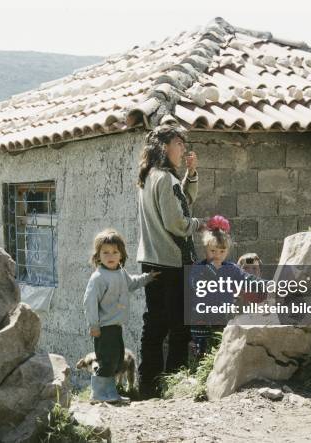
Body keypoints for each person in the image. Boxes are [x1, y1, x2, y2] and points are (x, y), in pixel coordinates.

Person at [136, 123, 202, 399]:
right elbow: (177, 221)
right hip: (173, 263)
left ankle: (148, 384)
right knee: (179, 328)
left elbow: (182, 199)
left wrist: (192, 174)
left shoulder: (150, 176)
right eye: (179, 144)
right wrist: (200, 224)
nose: (183, 149)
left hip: (152, 261)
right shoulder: (165, 178)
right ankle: (173, 384)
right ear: (164, 147)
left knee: (154, 326)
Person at [83, 229, 158, 403]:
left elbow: (131, 283)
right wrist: (93, 324)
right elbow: (89, 302)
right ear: (98, 255)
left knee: (117, 360)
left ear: (121, 254)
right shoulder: (98, 278)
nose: (110, 256)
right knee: (107, 361)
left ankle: (109, 393)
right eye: (105, 252)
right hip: (104, 327)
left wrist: (148, 277)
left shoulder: (120, 272)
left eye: (115, 252)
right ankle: (99, 394)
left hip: (116, 326)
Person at [189, 216, 263, 357]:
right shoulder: (198, 268)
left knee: (222, 353)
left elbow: (247, 279)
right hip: (201, 323)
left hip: (222, 320)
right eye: (213, 251)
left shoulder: (232, 269)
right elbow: (195, 284)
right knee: (200, 355)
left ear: (227, 251)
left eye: (222, 251)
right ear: (205, 249)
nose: (217, 255)